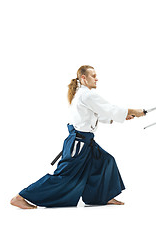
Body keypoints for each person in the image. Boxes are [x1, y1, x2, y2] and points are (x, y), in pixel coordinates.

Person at [11, 65, 145, 209]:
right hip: (79, 143)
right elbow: (110, 109)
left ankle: (102, 197)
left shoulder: (83, 94)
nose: (96, 79)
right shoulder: (86, 95)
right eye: (93, 76)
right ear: (83, 78)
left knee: (106, 161)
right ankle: (22, 196)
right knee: (64, 176)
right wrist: (134, 111)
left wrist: (123, 116)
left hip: (86, 141)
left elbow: (98, 114)